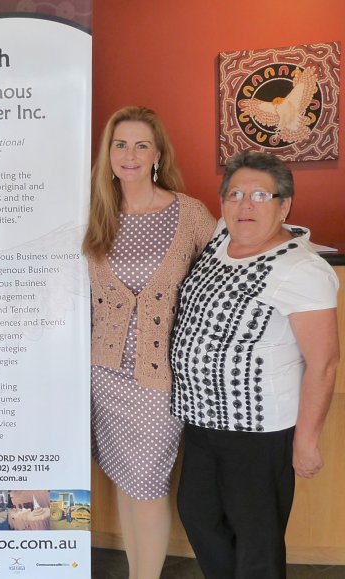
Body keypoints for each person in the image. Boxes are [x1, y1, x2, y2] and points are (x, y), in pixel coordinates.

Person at [170, 151, 339, 579]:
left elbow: (324, 363)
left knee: (256, 540)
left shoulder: (302, 269)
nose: (245, 204)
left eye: (261, 195)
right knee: (200, 518)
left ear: (285, 205)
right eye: (235, 193)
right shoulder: (221, 238)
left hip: (259, 432)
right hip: (202, 420)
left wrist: (306, 441)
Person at [83, 106, 216, 579]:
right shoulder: (94, 211)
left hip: (160, 377)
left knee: (147, 485)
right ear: (108, 153)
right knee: (124, 478)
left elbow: (221, 277)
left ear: (158, 153)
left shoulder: (189, 213)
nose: (130, 154)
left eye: (141, 144)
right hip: (103, 372)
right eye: (120, 144)